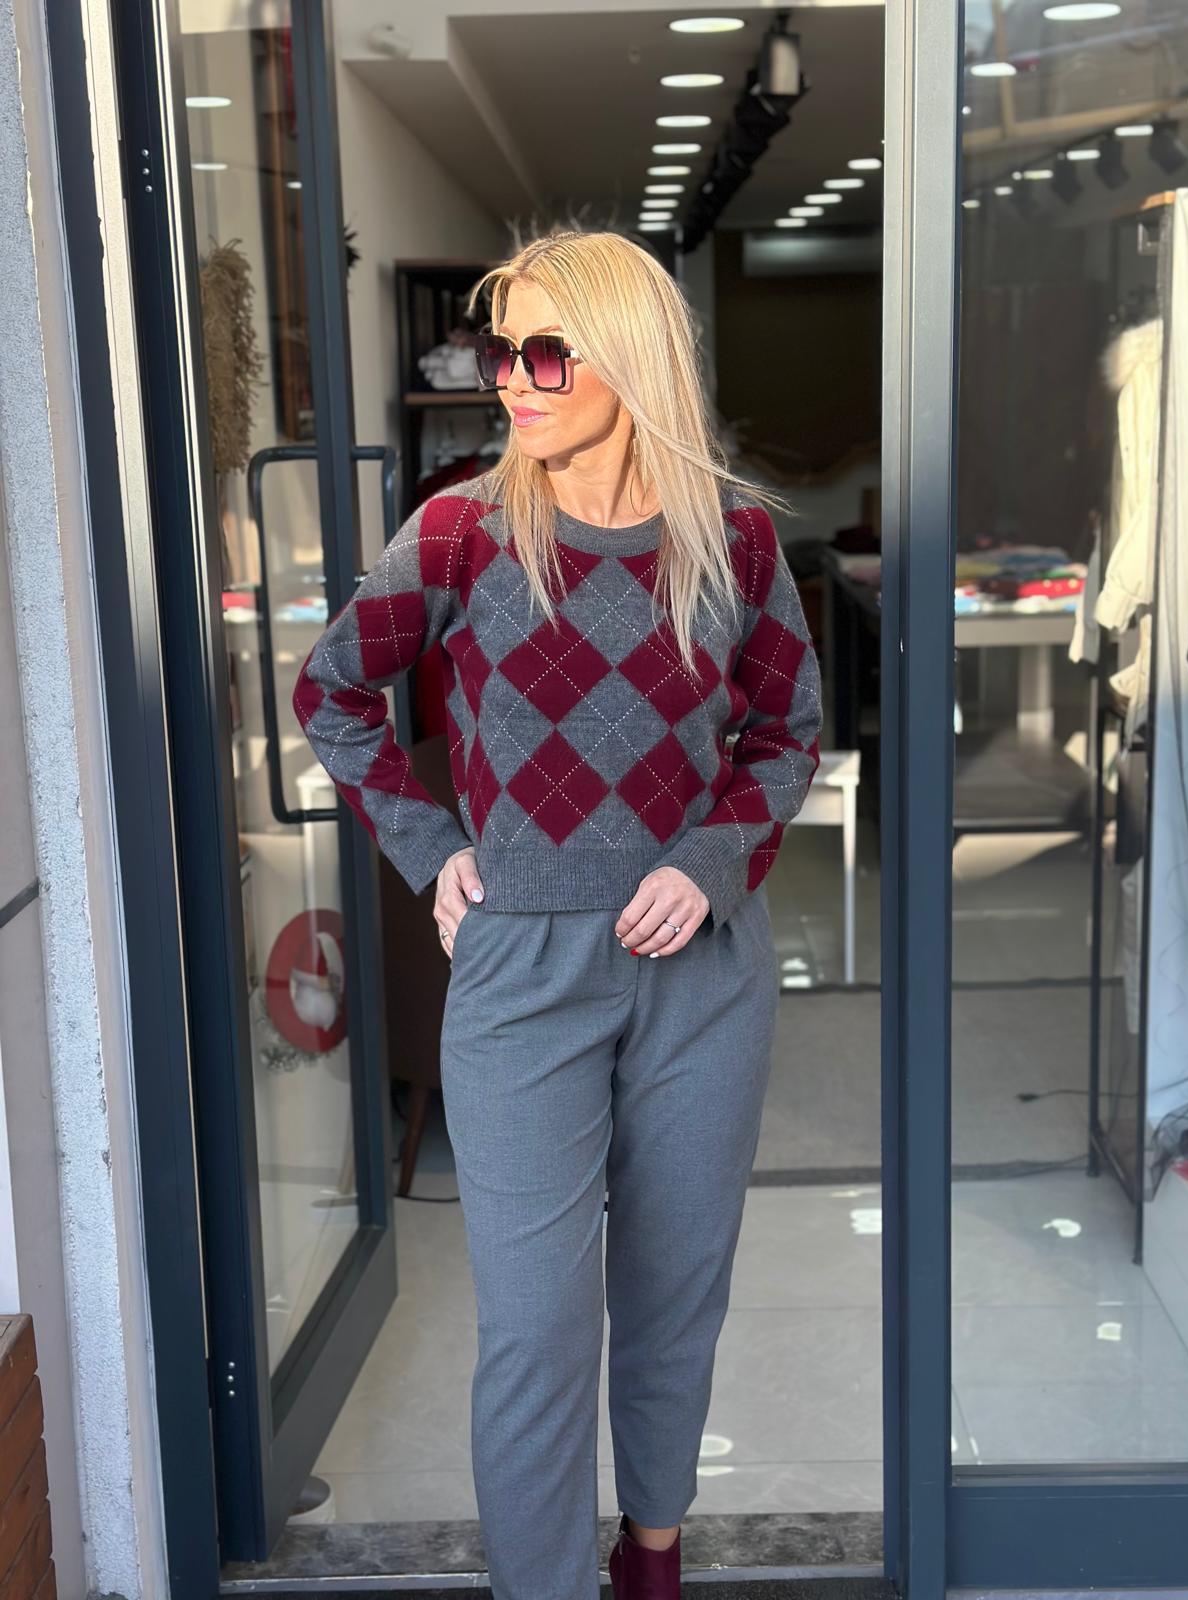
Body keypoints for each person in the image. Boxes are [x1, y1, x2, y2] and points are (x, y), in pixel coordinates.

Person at [293, 228, 822, 1600]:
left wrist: (709, 862)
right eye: (499, 354)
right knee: (535, 1332)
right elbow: (331, 692)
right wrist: (430, 849)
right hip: (521, 974)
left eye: (544, 354)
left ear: (628, 360)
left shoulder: (732, 538)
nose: (510, 382)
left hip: (701, 972)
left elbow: (787, 733)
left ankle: (653, 1555)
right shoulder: (464, 531)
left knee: (673, 1298)